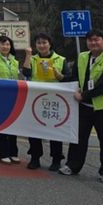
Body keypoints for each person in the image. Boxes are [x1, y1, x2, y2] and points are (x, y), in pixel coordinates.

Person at [59, 29, 103, 184]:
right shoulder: (82, 57)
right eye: (90, 40)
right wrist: (62, 79)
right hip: (84, 107)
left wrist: (84, 95)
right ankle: (72, 166)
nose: (93, 43)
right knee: (78, 138)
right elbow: (75, 77)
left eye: (96, 39)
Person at [21, 32, 70, 171]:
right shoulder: (32, 58)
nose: (41, 45)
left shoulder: (60, 59)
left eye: (44, 42)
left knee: (55, 130)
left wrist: (60, 76)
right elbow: (26, 73)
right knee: (34, 130)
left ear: (50, 44)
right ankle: (35, 157)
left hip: (55, 100)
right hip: (36, 99)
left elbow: (68, 78)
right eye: (39, 43)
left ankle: (56, 159)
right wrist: (28, 55)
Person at [0, 35, 22, 164]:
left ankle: (13, 152)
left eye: (7, 44)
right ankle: (3, 153)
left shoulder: (14, 61)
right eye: (3, 44)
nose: (5, 47)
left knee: (13, 124)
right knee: (2, 125)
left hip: (14, 96)